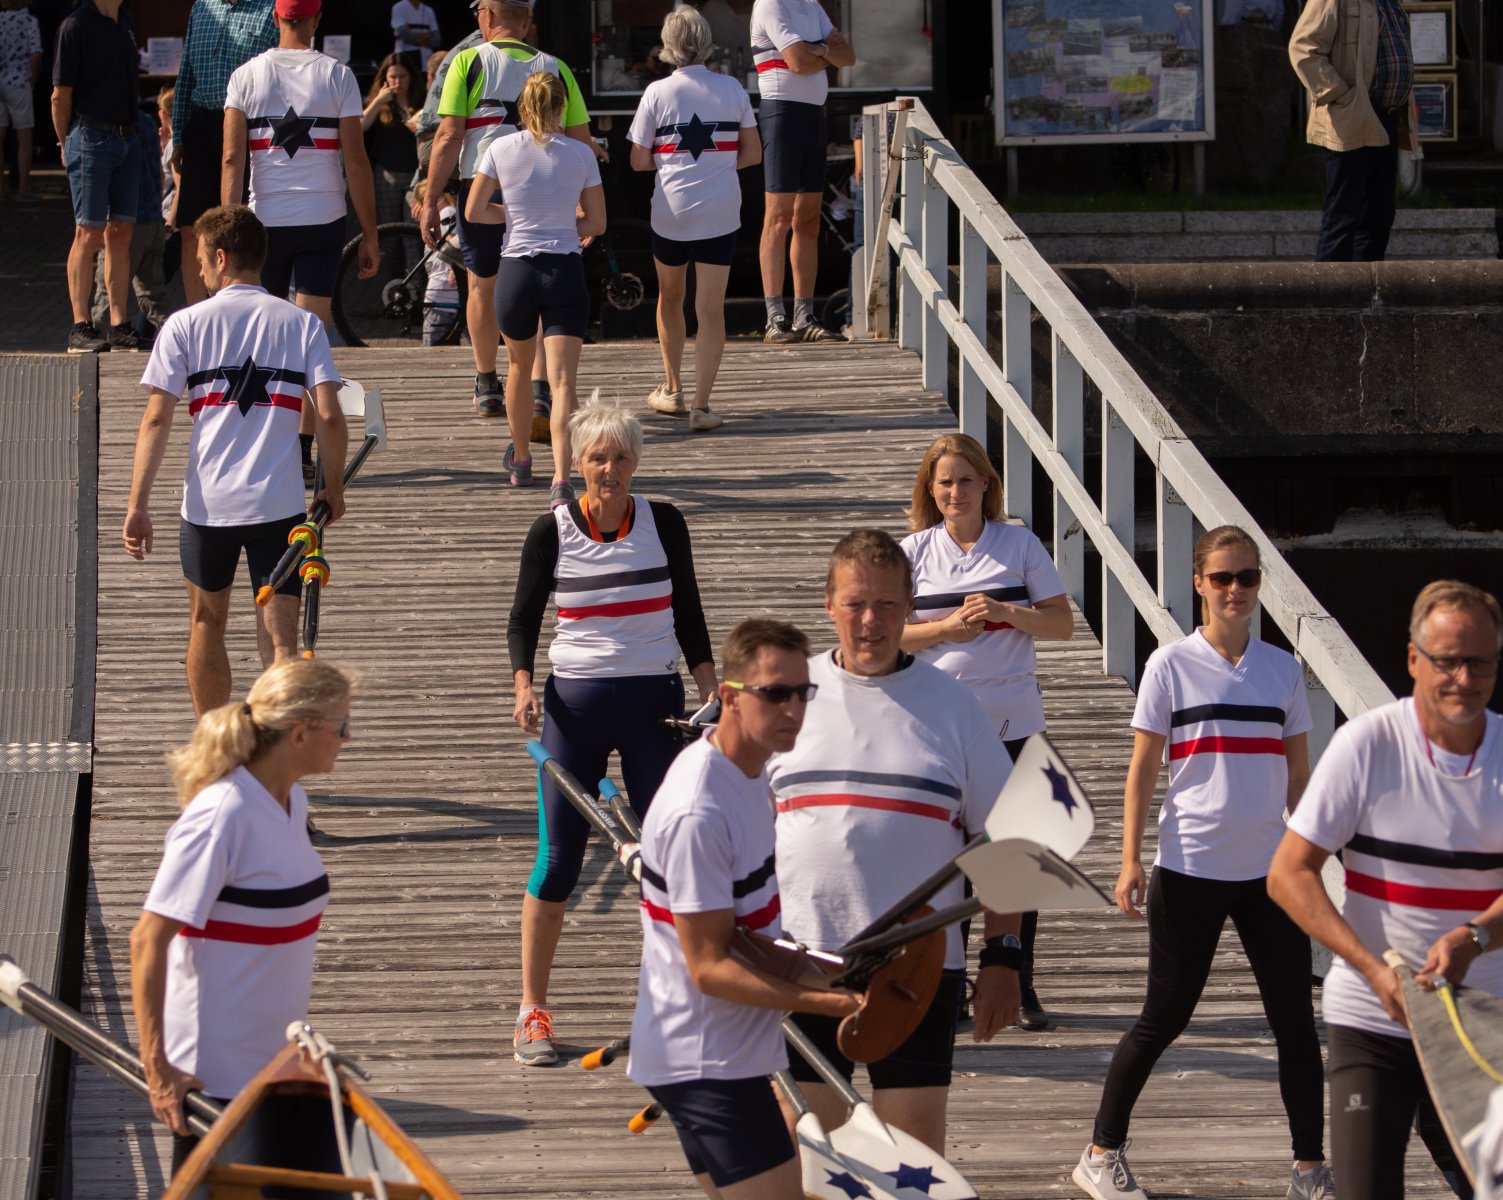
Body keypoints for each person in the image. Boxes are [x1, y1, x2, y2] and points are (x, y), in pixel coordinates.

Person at [1071, 525, 1328, 1200]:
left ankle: (1309, 1169)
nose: (1235, 589)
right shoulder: (1169, 665)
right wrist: (1129, 859)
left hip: (1269, 874)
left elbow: (1298, 776)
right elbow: (1141, 770)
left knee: (1296, 1025)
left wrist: (1317, 859)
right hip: (1189, 867)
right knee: (1164, 1016)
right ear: (1198, 584)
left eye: (1247, 577)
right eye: (1221, 578)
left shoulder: (1281, 670)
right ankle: (1099, 1152)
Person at [766, 528, 1019, 1153]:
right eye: (855, 604)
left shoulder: (955, 708)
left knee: (912, 1167)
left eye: (886, 604)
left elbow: (1005, 844)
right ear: (829, 604)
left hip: (918, 970)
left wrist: (1004, 957)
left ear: (911, 607)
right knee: (809, 1166)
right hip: (802, 963)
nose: (870, 621)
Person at [1270, 580, 1503, 1200]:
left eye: (1480, 663)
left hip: (1483, 1021)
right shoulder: (1367, 746)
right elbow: (1288, 873)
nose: (1464, 678)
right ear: (1413, 660)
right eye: (1447, 661)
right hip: (1374, 1014)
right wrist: (1374, 970)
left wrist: (1476, 936)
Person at [507, 400, 717, 1065]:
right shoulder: (550, 531)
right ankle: (532, 1011)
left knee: (668, 857)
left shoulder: (665, 522)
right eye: (598, 457)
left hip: (655, 708)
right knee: (558, 861)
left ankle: (683, 1003)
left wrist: (710, 685)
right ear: (577, 463)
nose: (610, 469)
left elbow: (688, 608)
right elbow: (523, 618)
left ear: (635, 462)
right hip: (575, 711)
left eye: (621, 457)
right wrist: (521, 685)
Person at [629, 618, 860, 1200]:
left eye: (802, 692)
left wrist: (828, 971)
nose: (794, 710)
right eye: (775, 694)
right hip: (704, 1060)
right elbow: (709, 967)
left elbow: (744, 932)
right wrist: (828, 1003)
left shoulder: (749, 772)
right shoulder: (699, 811)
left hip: (725, 1054)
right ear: (729, 697)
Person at [123, 205, 348, 717]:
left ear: (221, 257)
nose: (199, 270)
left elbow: (156, 420)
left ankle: (213, 742)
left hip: (208, 510)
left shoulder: (183, 325)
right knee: (282, 641)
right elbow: (330, 417)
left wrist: (137, 505)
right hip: (280, 507)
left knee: (206, 623)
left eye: (202, 260)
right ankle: (277, 748)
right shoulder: (303, 325)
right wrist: (332, 487)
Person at [129, 657, 352, 1172]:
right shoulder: (220, 818)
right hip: (214, 1079)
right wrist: (158, 1070)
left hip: (276, 1066)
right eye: (341, 726)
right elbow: (147, 939)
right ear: (301, 733)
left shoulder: (291, 802)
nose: (348, 738)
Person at [899, 433, 1073, 1031]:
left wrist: (1006, 613)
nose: (956, 492)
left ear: (986, 484)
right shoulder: (913, 551)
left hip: (1015, 722)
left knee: (1016, 856)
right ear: (930, 489)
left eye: (966, 480)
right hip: (940, 726)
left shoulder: (1018, 543)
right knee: (950, 858)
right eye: (945, 482)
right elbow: (890, 634)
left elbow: (1061, 624)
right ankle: (948, 985)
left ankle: (1018, 982)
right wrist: (946, 629)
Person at [423, 0, 604, 425]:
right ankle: (539, 389)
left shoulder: (467, 61)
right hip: (544, 183)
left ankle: (488, 384)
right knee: (540, 274)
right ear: (526, 21)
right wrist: (581, 201)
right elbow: (580, 137)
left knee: (482, 285)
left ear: (486, 16)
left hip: (482, 185)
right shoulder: (556, 67)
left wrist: (430, 199)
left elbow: (448, 136)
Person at [223, 0, 378, 486]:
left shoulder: (245, 77)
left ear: (276, 18)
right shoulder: (338, 76)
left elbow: (232, 160)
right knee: (309, 340)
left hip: (262, 226)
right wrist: (371, 233)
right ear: (316, 20)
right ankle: (303, 453)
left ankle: (262, 445)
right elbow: (356, 162)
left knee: (259, 341)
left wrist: (227, 232)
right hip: (322, 221)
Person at [465, 71, 604, 507]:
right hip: (563, 269)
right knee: (562, 382)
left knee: (519, 369)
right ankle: (562, 478)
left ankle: (522, 459)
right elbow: (597, 222)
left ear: (522, 107)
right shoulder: (581, 154)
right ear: (562, 107)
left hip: (517, 272)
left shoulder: (500, 149)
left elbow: (473, 210)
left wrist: (514, 215)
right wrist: (563, 221)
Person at [628, 7, 760, 433]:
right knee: (711, 308)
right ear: (706, 41)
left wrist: (671, 162)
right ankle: (702, 406)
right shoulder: (732, 88)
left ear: (668, 46)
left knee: (670, 297)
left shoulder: (657, 93)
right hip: (721, 210)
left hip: (672, 212)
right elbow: (753, 153)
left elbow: (638, 160)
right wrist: (716, 167)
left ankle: (673, 389)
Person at [749, 0, 854, 344]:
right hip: (781, 112)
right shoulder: (771, 4)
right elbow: (796, 61)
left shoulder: (810, 4)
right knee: (778, 217)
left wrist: (817, 51)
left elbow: (849, 57)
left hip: (813, 115)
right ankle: (774, 316)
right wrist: (826, 51)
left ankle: (804, 315)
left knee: (808, 219)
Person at [1290, 0, 1416, 262]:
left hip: (1388, 117)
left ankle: (1367, 286)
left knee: (1379, 216)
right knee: (1343, 216)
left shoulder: (1392, 2)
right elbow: (1303, 49)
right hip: (1352, 117)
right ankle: (1331, 287)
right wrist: (1340, 95)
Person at [51, 0, 143, 353]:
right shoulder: (75, 26)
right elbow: (60, 95)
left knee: (121, 232)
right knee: (88, 232)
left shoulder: (124, 20)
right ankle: (80, 325)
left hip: (128, 138)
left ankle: (118, 324)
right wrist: (66, 143)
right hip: (90, 136)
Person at [171, 0, 278, 305]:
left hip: (249, 127)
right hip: (202, 125)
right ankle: (199, 314)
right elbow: (186, 74)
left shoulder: (268, 9)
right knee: (191, 229)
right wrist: (177, 135)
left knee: (244, 228)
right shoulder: (201, 7)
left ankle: (245, 308)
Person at [92, 106, 171, 346]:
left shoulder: (112, 125)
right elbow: (159, 174)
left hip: (126, 221)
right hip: (153, 218)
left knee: (108, 289)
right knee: (154, 294)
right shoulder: (147, 122)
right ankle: (180, 338)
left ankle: (97, 339)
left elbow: (109, 174)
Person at [362, 52, 422, 227]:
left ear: (411, 77)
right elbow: (360, 126)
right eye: (393, 77)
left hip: (415, 175)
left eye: (402, 76)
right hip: (387, 174)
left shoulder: (421, 101)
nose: (397, 82)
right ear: (385, 79)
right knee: (388, 229)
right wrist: (378, 101)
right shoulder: (379, 103)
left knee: (413, 230)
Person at [0, 0, 42, 201]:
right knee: (24, 138)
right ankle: (23, 188)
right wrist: (32, 79)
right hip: (19, 82)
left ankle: (1, 188)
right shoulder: (29, 21)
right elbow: (36, 54)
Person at [391, 0, 441, 72]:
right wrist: (427, 36)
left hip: (426, 60)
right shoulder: (398, 7)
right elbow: (405, 35)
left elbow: (437, 40)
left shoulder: (429, 10)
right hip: (406, 57)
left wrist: (413, 33)